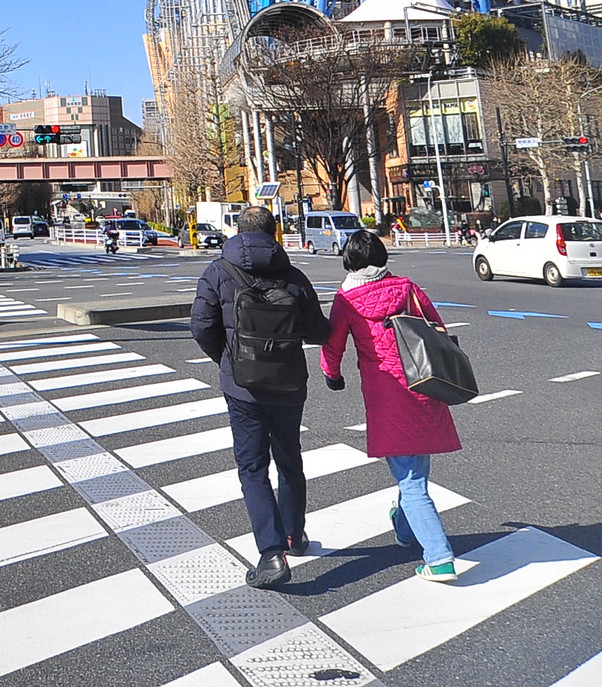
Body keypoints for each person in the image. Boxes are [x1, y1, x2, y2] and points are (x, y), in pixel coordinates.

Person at [190, 204, 330, 589]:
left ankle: (271, 554)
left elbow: (201, 326)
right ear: (275, 233)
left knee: (252, 468)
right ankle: (294, 535)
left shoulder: (218, 272)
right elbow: (319, 331)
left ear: (238, 231)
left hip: (242, 386)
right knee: (289, 459)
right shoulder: (294, 276)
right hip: (289, 383)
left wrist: (228, 360)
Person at [322, 230, 462, 582]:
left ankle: (439, 557)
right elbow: (438, 330)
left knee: (411, 482)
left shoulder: (347, 299)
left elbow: (333, 344)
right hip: (424, 382)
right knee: (415, 470)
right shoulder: (406, 288)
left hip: (386, 391)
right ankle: (404, 527)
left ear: (350, 260)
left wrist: (332, 375)